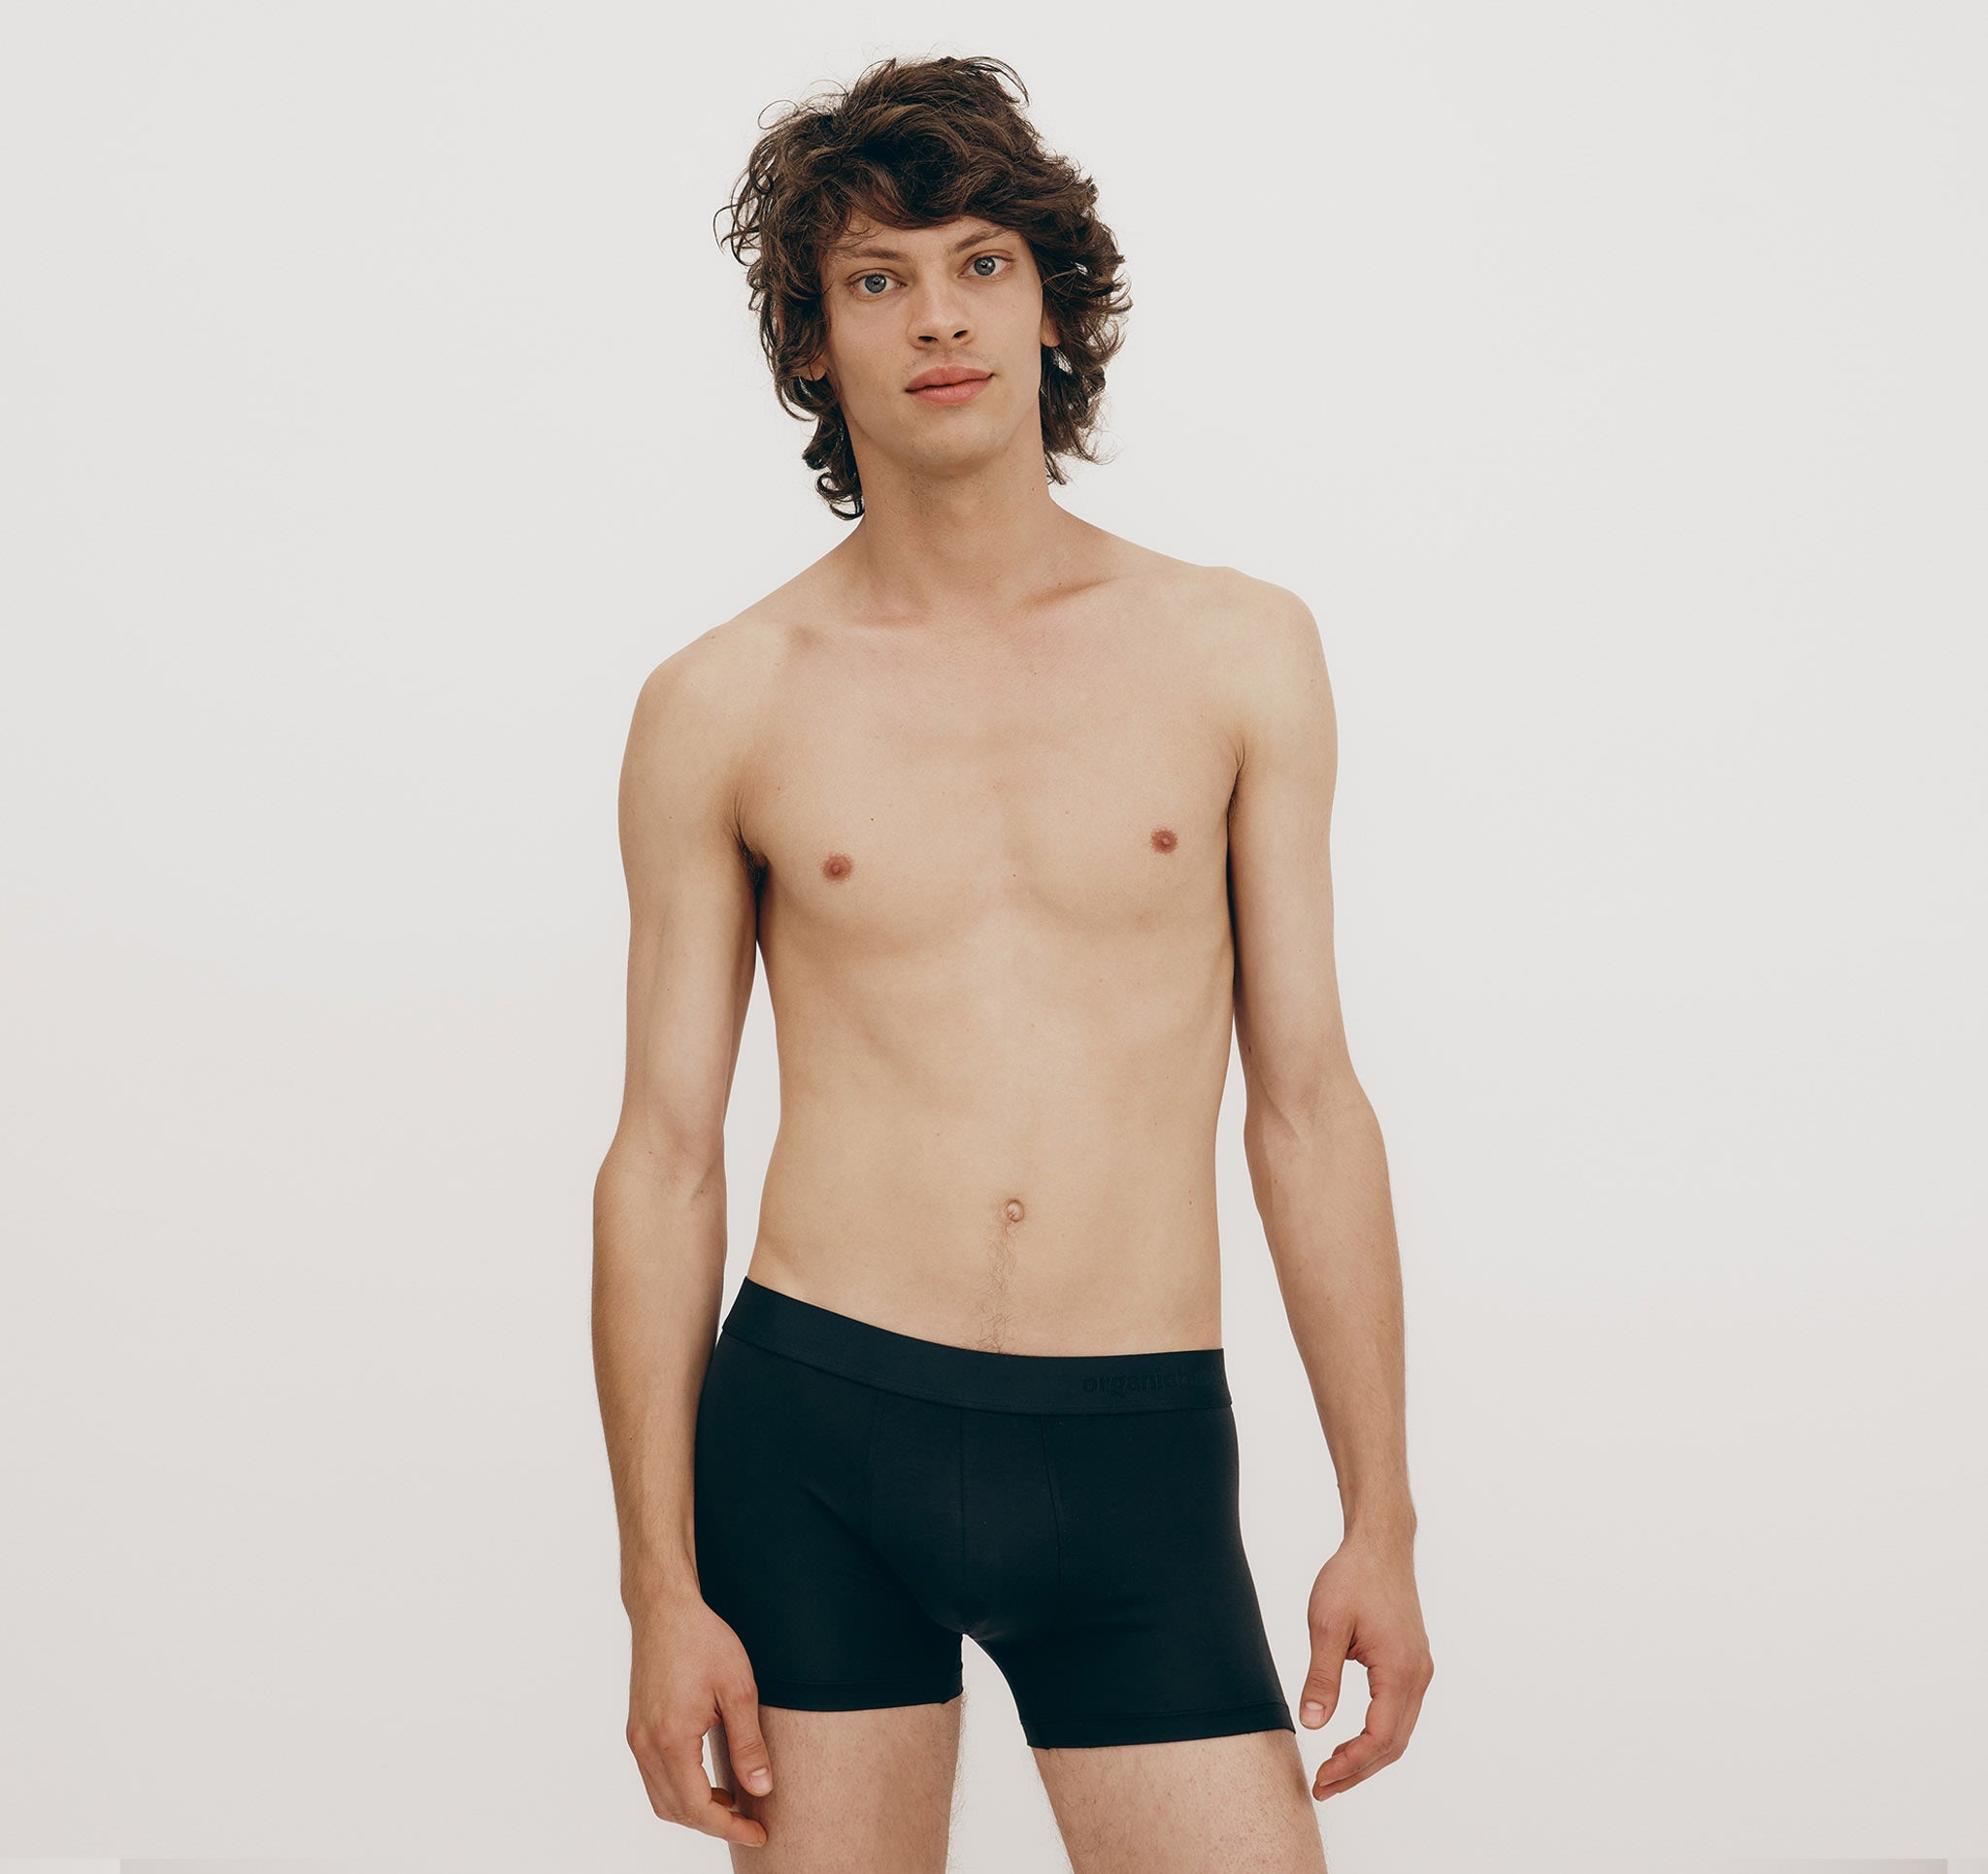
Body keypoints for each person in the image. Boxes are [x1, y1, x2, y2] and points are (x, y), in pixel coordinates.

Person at [591, 51, 1433, 1870]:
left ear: (1054, 304)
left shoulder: (1236, 652)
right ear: (813, 342)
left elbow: (1307, 1103)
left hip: (1134, 1439)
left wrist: (1384, 1514)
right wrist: (659, 1586)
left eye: (981, 263)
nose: (937, 319)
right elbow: (663, 1154)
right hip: (819, 1436)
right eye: (875, 280)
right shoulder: (721, 702)